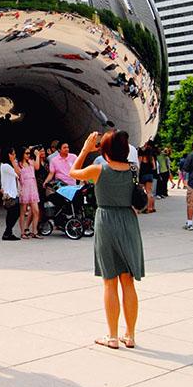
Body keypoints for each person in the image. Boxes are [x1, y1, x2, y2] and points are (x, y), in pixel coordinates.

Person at [70, 130, 144, 350]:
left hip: (106, 220)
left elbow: (73, 172)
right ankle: (129, 335)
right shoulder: (133, 169)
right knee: (127, 280)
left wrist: (85, 149)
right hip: (128, 221)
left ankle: (112, 336)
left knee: (109, 280)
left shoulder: (98, 169)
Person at [15, 146, 43, 239]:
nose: (28, 155)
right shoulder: (18, 164)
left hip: (32, 187)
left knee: (36, 211)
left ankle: (34, 231)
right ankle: (23, 232)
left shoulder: (30, 162)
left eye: (28, 153)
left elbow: (37, 167)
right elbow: (17, 174)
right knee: (23, 211)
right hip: (24, 188)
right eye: (26, 153)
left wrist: (37, 155)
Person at [0, 148, 21, 241]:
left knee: (13, 213)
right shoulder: (5, 166)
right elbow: (18, 173)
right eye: (13, 154)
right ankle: (7, 232)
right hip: (10, 193)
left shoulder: (6, 166)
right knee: (13, 213)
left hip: (13, 192)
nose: (15, 155)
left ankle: (8, 232)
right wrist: (13, 161)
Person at [137, 143, 156, 214]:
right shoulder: (151, 158)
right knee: (149, 192)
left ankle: (142, 208)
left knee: (141, 191)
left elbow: (138, 165)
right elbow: (154, 167)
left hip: (143, 175)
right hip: (150, 175)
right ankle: (150, 207)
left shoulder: (142, 157)